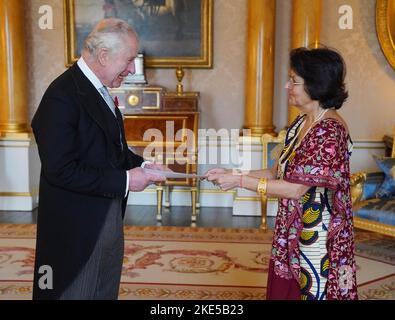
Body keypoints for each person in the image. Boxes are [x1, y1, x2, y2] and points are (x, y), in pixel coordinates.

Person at [205, 47, 358, 300]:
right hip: (291, 227)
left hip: (317, 235)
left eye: (294, 81)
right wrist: (232, 171)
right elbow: (276, 171)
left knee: (311, 290)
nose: (287, 86)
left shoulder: (329, 130)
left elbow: (295, 188)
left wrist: (239, 181)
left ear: (315, 85)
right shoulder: (301, 122)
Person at [31, 18, 167, 300]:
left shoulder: (98, 90)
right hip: (77, 231)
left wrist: (142, 165)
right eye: (129, 60)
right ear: (104, 55)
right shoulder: (62, 96)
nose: (132, 69)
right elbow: (61, 170)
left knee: (104, 292)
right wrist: (128, 179)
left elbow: (109, 150)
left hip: (107, 216)